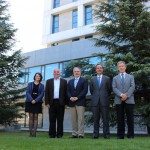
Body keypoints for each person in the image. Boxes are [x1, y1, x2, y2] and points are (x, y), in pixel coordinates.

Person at [112, 61, 135, 139]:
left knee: (130, 118)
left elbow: (132, 86)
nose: (121, 67)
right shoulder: (115, 78)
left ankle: (130, 135)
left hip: (129, 99)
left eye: (122, 66)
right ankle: (120, 135)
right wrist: (121, 95)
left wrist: (126, 95)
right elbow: (114, 88)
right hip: (119, 100)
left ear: (125, 67)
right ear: (118, 68)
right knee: (120, 118)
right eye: (119, 66)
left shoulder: (131, 77)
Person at [90, 64, 111, 139]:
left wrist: (103, 96)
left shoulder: (107, 79)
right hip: (95, 102)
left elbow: (109, 90)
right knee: (95, 119)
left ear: (102, 69)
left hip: (104, 101)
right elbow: (91, 90)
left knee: (105, 119)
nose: (99, 69)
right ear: (96, 70)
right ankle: (95, 135)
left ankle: (106, 135)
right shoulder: (92, 79)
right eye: (98, 68)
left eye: (100, 68)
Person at [45, 69, 67, 138]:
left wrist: (65, 103)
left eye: (57, 72)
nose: (56, 73)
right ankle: (52, 134)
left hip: (61, 103)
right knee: (52, 119)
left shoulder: (64, 81)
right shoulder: (49, 81)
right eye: (55, 72)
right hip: (51, 103)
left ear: (59, 73)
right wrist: (47, 102)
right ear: (53, 73)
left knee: (60, 119)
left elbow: (66, 93)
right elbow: (46, 92)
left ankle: (60, 134)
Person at [67, 67, 88, 138]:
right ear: (73, 72)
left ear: (80, 72)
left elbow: (85, 90)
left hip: (80, 102)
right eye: (75, 71)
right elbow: (68, 91)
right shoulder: (70, 81)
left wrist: (77, 97)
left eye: (78, 71)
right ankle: (74, 134)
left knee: (80, 119)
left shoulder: (84, 80)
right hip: (72, 102)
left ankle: (81, 134)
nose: (76, 72)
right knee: (73, 119)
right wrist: (70, 97)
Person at [25, 72, 44, 137]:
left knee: (36, 117)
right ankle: (30, 133)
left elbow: (42, 94)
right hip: (29, 102)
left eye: (39, 76)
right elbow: (27, 92)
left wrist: (35, 100)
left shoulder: (42, 85)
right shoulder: (30, 84)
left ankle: (34, 133)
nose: (37, 77)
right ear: (34, 77)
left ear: (40, 78)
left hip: (37, 102)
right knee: (31, 117)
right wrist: (31, 100)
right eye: (36, 76)